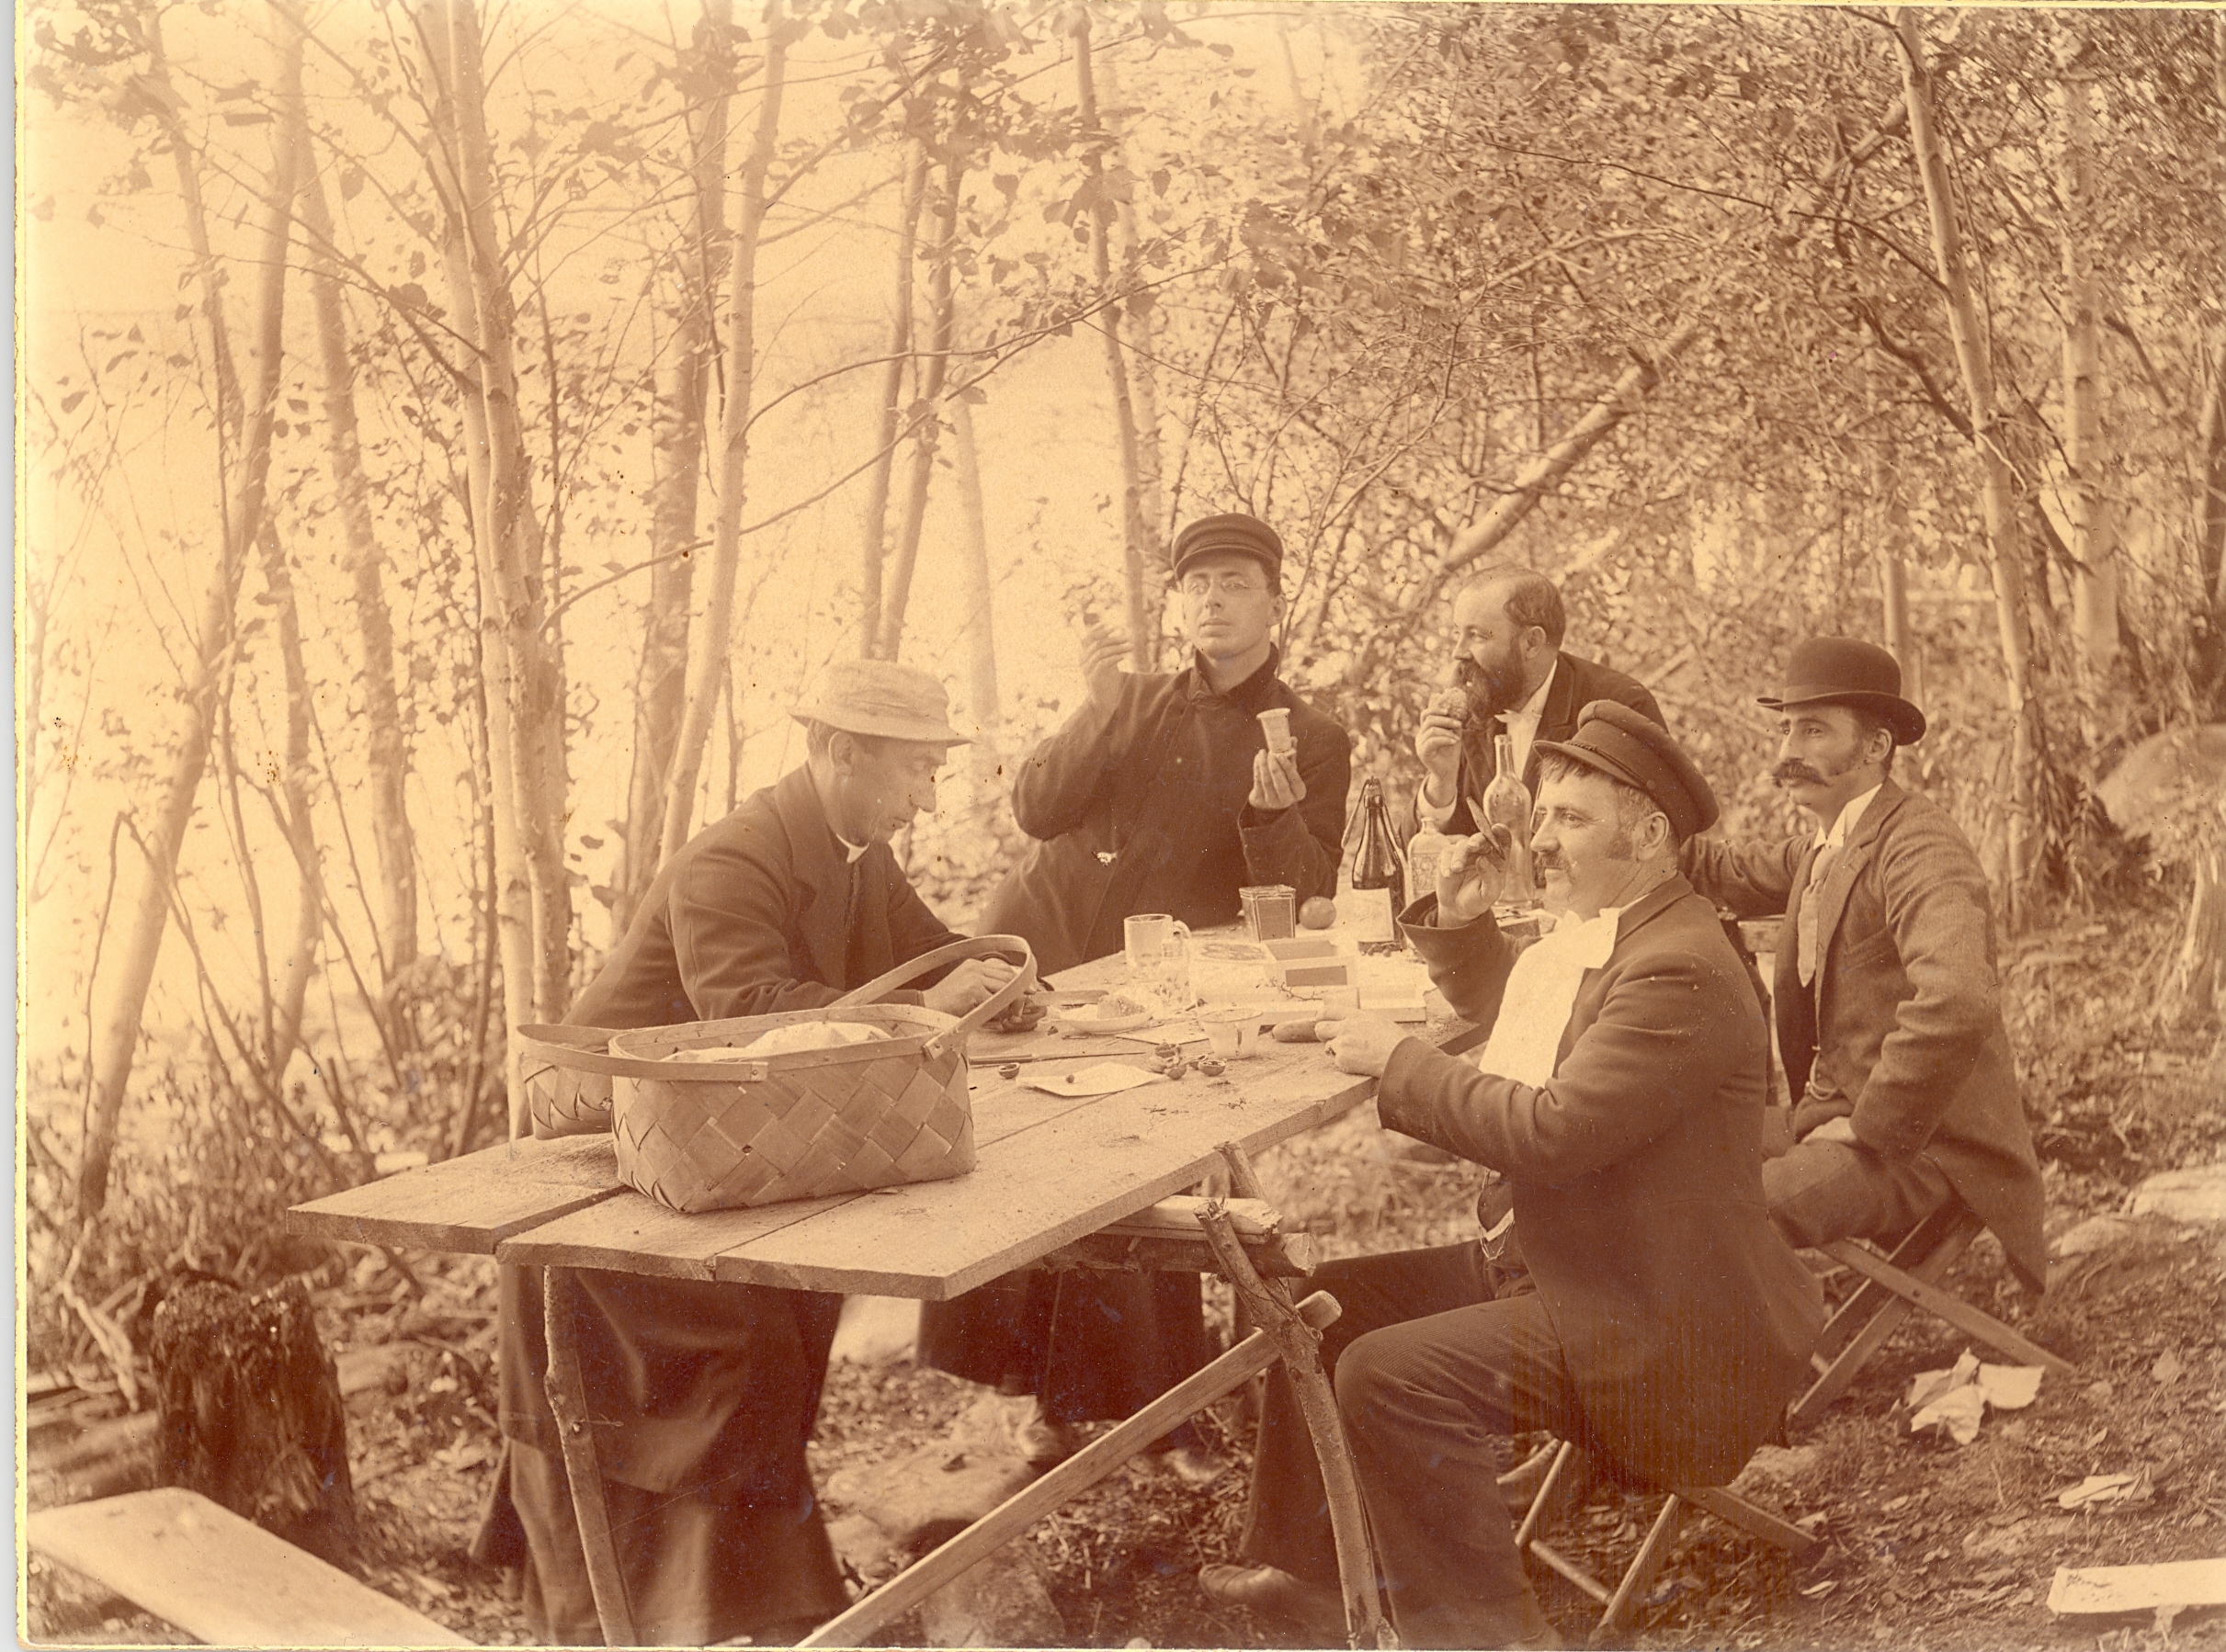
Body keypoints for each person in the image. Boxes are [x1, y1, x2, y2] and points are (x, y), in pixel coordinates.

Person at [1199, 701, 1823, 1650]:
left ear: (1649, 831)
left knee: (1383, 1374)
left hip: (1663, 1322)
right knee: (1326, 1306)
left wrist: (1397, 1059)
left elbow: (1553, 1128)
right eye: (1546, 816)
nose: (1543, 838)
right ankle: (1319, 1581)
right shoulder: (1630, 933)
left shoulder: (1679, 966)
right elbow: (1547, 1034)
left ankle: (1491, 1640)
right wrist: (1460, 924)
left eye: (1569, 819)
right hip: (1580, 1267)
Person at [472, 660, 1025, 1646]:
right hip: (619, 1164)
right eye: (913, 772)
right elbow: (743, 1021)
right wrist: (921, 1006)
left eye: (933, 774)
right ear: (841, 754)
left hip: (728, 1154)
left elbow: (929, 953)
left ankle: (744, 1601)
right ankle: (691, 1609)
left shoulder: (856, 848)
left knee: (791, 1308)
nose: (925, 796)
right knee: (751, 1327)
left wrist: (990, 976)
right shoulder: (733, 858)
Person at [919, 512, 1354, 1471]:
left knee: (1145, 1166)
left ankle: (1160, 1408)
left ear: (1275, 603)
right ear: (1175, 603)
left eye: (1235, 582)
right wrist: (1097, 708)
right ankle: (1044, 1399)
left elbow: (1314, 890)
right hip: (1047, 949)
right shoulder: (1133, 701)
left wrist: (1270, 817)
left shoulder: (1313, 737)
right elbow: (1038, 807)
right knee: (1026, 1159)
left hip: (1163, 981)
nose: (1212, 600)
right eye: (1196, 585)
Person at [1681, 637, 2048, 1293]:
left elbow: (1960, 998)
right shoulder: (1831, 842)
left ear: (1878, 746)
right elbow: (1727, 870)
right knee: (1664, 1153)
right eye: (1788, 729)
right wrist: (1627, 826)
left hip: (1929, 1146)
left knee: (1715, 1213)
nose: (1788, 752)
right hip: (1832, 1115)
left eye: (1814, 731)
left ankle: (1742, 1382)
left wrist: (1872, 1123)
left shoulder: (1920, 846)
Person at [1413, 566, 1663, 837]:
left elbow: (1648, 846)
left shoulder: (1619, 706)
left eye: (1476, 635)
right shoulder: (1472, 709)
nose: (1457, 652)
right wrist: (1441, 781)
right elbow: (1418, 856)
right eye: (1457, 634)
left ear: (1532, 643)